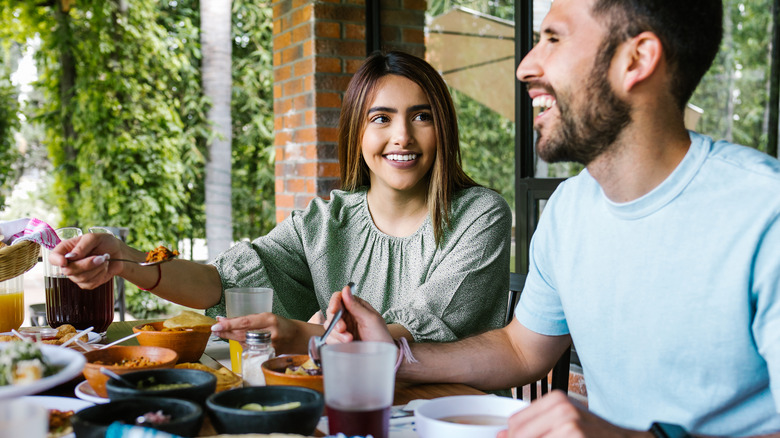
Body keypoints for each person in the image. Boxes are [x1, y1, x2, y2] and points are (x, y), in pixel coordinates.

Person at [324, 0, 780, 437]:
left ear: (636, 60)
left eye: (553, 39)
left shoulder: (764, 212)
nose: (526, 66)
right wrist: (395, 358)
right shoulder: (570, 209)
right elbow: (521, 349)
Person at [49, 51, 512, 354]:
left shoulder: (479, 215)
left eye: (422, 117)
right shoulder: (325, 221)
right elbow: (221, 282)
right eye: (381, 118)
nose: (402, 137)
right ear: (356, 133)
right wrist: (127, 260)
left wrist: (310, 335)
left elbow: (424, 322)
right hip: (342, 406)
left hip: (446, 414)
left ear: (443, 128)